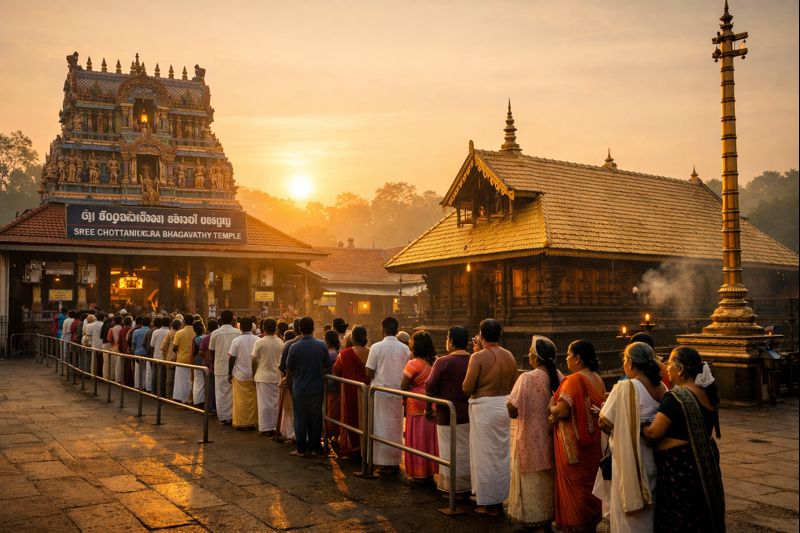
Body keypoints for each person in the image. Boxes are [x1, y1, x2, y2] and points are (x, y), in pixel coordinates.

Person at [642, 347, 724, 533]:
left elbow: (654, 433)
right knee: (699, 514)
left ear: (680, 369)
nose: (667, 368)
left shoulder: (675, 397)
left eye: (670, 363)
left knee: (680, 517)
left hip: (680, 469)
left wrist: (638, 426)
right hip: (702, 465)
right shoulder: (708, 393)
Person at [599, 342, 666, 533]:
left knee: (628, 517)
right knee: (649, 509)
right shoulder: (660, 386)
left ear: (630, 362)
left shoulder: (625, 387)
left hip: (629, 460)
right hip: (652, 458)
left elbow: (604, 422)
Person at [507, 335, 564, 529]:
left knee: (531, 479)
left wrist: (515, 409)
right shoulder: (558, 375)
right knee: (548, 477)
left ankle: (534, 518)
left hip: (530, 435)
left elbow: (512, 407)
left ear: (534, 357)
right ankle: (549, 516)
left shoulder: (527, 378)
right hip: (552, 436)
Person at [549, 339, 606, 532]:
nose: (566, 358)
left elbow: (562, 411)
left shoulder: (572, 380)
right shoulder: (597, 378)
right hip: (594, 441)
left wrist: (550, 406)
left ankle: (574, 524)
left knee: (575, 485)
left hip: (573, 443)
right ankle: (590, 520)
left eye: (568, 354)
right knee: (589, 481)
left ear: (578, 358)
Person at [462, 318, 517, 516]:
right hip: (502, 406)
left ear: (481, 335)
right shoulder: (509, 355)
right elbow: (515, 383)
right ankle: (497, 498)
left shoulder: (478, 357)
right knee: (500, 455)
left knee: (484, 456)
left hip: (484, 408)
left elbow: (467, 388)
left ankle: (490, 503)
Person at [425, 325, 472, 495]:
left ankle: (452, 487)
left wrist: (428, 408)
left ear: (451, 342)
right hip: (468, 413)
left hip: (447, 414)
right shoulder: (473, 359)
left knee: (448, 451)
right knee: (466, 451)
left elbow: (430, 386)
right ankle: (467, 485)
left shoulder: (443, 361)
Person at [365, 316, 410, 475]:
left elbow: (369, 371)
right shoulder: (405, 349)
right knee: (395, 427)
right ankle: (394, 461)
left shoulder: (376, 347)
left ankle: (381, 462)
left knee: (379, 427)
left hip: (380, 392)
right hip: (398, 391)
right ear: (397, 330)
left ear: (382, 329)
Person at [286, 316, 331, 456]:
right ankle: (315, 447)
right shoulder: (322, 345)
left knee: (300, 418)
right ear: (313, 328)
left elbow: (289, 369)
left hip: (299, 388)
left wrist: (289, 385)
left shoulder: (294, 347)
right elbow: (328, 367)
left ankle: (301, 449)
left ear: (299, 329)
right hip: (316, 387)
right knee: (315, 417)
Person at [400, 330, 439, 482]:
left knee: (417, 438)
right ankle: (430, 470)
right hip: (432, 403)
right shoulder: (436, 361)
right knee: (430, 438)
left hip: (415, 404)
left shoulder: (413, 363)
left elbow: (403, 386)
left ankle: (419, 472)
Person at [332, 326, 369, 459]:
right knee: (365, 418)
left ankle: (351, 449)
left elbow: (336, 370)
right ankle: (365, 448)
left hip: (349, 389)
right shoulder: (370, 352)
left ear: (352, 338)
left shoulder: (345, 353)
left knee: (349, 417)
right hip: (366, 391)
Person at [251, 318, 283, 435]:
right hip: (276, 376)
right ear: (275, 328)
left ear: (263, 328)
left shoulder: (260, 342)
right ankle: (275, 426)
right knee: (275, 403)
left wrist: (253, 374)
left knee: (264, 404)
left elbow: (254, 360)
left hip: (263, 376)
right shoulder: (280, 342)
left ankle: (265, 428)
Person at [209, 310, 240, 425]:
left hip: (220, 365)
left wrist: (214, 362)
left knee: (221, 393)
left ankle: (222, 417)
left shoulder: (215, 333)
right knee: (232, 393)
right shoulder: (238, 332)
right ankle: (232, 416)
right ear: (232, 319)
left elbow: (212, 351)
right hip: (234, 367)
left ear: (221, 320)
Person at [228, 317, 259, 429]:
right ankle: (253, 422)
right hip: (254, 374)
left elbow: (231, 358)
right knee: (252, 401)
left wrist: (229, 373)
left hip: (240, 374)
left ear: (240, 328)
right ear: (251, 327)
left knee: (240, 401)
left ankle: (241, 423)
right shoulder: (258, 340)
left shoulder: (236, 341)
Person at [276, 318, 302, 441]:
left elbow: (283, 366)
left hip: (292, 382)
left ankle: (294, 435)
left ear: (295, 329)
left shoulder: (290, 344)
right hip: (312, 384)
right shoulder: (320, 344)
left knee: (292, 410)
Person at [172, 314, 196, 404]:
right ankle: (191, 399)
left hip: (181, 360)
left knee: (181, 382)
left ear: (184, 321)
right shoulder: (195, 331)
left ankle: (183, 401)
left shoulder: (179, 333)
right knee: (191, 381)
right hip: (192, 360)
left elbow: (175, 347)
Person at [323, 329, 341, 442]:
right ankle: (335, 435)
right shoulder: (338, 352)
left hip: (330, 386)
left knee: (330, 411)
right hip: (336, 386)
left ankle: (329, 434)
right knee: (335, 411)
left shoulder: (329, 354)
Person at [200, 319, 218, 413]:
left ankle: (210, 407)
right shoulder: (218, 336)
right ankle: (215, 406)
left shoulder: (206, 338)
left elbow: (201, 351)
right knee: (216, 387)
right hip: (216, 365)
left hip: (207, 365)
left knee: (208, 387)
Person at [149, 316, 171, 395]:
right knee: (163, 377)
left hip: (156, 356)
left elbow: (152, 344)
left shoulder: (155, 332)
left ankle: (153, 392)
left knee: (155, 375)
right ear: (169, 323)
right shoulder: (169, 332)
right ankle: (161, 393)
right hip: (164, 358)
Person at [131, 316, 151, 390]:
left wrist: (134, 354)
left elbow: (133, 344)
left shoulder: (136, 332)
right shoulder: (150, 331)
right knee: (146, 371)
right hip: (146, 354)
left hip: (138, 353)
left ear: (142, 323)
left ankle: (137, 386)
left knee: (138, 371)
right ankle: (145, 387)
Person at [191, 320, 207, 407]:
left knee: (197, 381)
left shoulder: (195, 338)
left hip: (196, 360)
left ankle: (197, 401)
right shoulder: (204, 338)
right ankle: (201, 401)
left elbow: (193, 352)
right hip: (202, 360)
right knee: (202, 382)